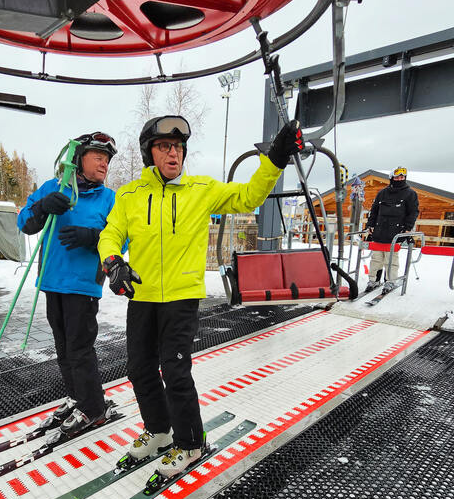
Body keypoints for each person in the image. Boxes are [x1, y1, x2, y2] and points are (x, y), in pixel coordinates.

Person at [97, 115, 303, 476]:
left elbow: (248, 196)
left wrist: (275, 160)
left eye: (177, 147)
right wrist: (113, 261)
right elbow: (111, 233)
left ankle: (191, 443)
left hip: (181, 297)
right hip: (143, 296)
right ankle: (159, 431)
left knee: (175, 369)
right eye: (164, 147)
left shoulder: (201, 189)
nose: (173, 153)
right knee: (140, 368)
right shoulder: (130, 195)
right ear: (150, 153)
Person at [16, 131, 118, 435]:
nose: (104, 164)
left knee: (79, 348)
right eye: (98, 157)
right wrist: (43, 206)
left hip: (83, 285)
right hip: (52, 281)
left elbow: (120, 241)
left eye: (107, 159)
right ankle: (78, 396)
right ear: (78, 159)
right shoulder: (53, 189)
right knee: (63, 348)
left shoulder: (109, 199)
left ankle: (93, 407)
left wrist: (92, 238)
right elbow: (24, 222)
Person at [364, 166, 419, 292]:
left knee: (391, 259)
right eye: (397, 177)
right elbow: (374, 211)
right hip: (379, 231)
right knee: (376, 258)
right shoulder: (382, 193)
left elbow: (413, 212)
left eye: (402, 177)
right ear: (391, 178)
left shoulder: (410, 194)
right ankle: (373, 280)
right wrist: (370, 225)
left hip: (396, 232)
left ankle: (390, 281)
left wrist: (407, 228)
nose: (399, 179)